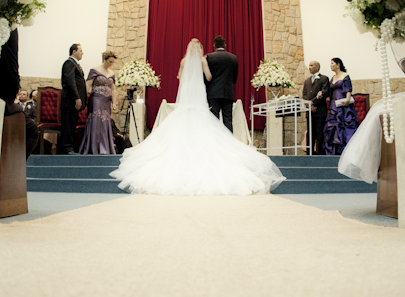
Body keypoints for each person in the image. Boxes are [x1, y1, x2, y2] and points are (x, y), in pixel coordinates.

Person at [110, 38, 284, 195]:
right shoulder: (202, 60)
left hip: (187, 91)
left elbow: (179, 77)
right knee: (204, 120)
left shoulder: (183, 61)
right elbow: (208, 76)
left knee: (184, 117)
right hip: (198, 92)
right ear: (199, 48)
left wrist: (187, 78)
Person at [79, 50, 119, 155]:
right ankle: (93, 147)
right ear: (104, 59)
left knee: (105, 121)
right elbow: (88, 84)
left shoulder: (111, 73)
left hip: (106, 101)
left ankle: (104, 147)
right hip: (96, 98)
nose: (111, 64)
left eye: (112, 62)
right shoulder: (95, 70)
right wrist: (85, 97)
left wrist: (114, 102)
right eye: (110, 61)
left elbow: (113, 89)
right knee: (96, 119)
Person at [323, 58, 359, 156]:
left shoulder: (345, 75)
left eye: (332, 63)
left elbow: (348, 89)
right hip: (334, 105)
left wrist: (347, 99)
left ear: (338, 64)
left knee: (344, 125)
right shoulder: (333, 78)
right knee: (332, 127)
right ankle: (334, 152)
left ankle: (346, 150)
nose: (330, 65)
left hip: (343, 104)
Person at [205, 35, 238, 133]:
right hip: (228, 93)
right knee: (228, 120)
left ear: (214, 46)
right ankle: (229, 141)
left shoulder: (209, 57)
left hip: (213, 93)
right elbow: (234, 78)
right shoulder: (233, 58)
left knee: (214, 120)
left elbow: (206, 78)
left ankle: (215, 141)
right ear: (225, 45)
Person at [60, 43, 87, 155]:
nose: (82, 53)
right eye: (80, 50)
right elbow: (70, 81)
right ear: (74, 51)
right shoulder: (69, 63)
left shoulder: (75, 64)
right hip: (70, 101)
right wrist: (77, 98)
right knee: (68, 124)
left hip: (72, 102)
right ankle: (67, 148)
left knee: (71, 124)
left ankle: (69, 147)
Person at [302, 60, 330, 155]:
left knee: (320, 134)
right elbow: (304, 95)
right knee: (310, 133)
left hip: (319, 111)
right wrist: (309, 105)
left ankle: (321, 154)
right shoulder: (307, 81)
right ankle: (310, 153)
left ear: (317, 67)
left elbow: (324, 92)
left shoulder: (324, 79)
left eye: (311, 65)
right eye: (309, 65)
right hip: (309, 112)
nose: (309, 67)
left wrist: (313, 103)